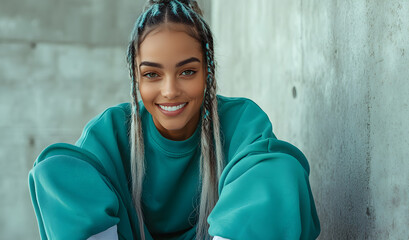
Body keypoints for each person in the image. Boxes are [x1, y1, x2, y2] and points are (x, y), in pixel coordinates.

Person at [28, 0, 321, 239]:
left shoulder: (240, 120)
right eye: (152, 74)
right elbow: (71, 191)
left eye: (187, 72)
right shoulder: (112, 131)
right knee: (53, 170)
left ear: (208, 72)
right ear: (136, 79)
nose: (170, 91)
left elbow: (273, 183)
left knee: (280, 167)